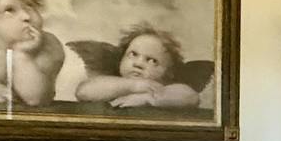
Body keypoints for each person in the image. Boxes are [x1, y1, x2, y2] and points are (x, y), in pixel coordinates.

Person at [72, 24, 208, 109]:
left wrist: (148, 99)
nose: (138, 64)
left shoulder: (164, 88)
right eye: (133, 54)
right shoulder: (111, 83)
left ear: (169, 72)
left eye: (152, 61)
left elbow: (191, 97)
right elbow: (83, 91)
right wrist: (133, 86)